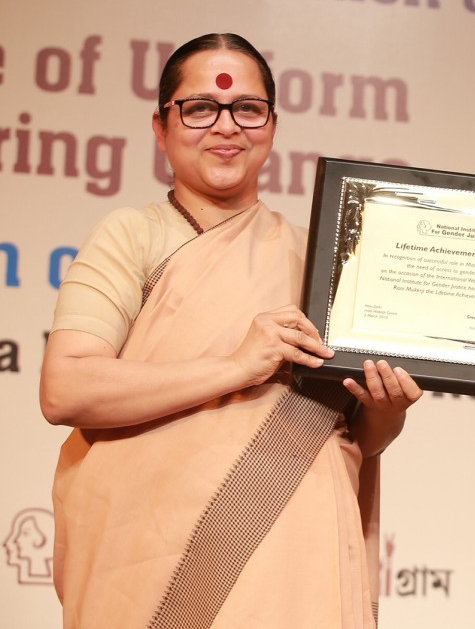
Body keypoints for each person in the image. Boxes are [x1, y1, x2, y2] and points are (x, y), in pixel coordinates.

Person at [39, 32, 422, 628]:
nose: (226, 126)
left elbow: (359, 439)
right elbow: (66, 389)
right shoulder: (132, 236)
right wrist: (237, 367)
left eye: (247, 108)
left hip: (291, 565)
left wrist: (385, 410)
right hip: (149, 558)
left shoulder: (324, 261)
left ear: (272, 126)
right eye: (200, 108)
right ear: (161, 127)